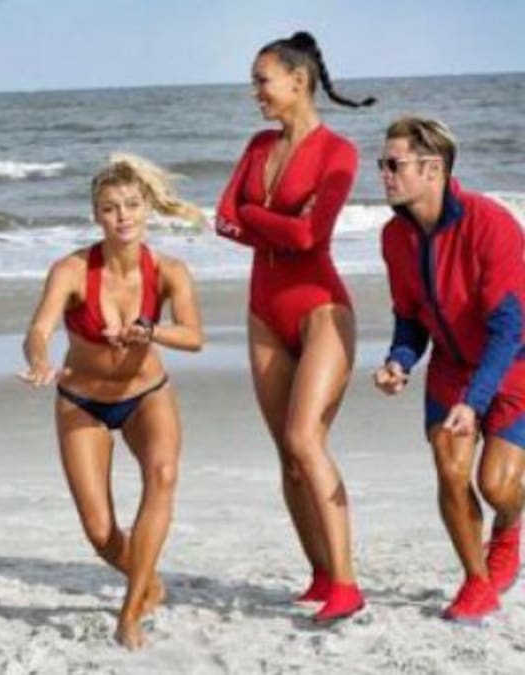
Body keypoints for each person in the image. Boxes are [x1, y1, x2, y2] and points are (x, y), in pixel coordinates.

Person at [214, 31, 375, 623]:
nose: (254, 92)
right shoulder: (258, 145)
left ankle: (348, 585)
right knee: (287, 454)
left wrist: (254, 216)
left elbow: (311, 236)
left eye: (262, 80)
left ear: (298, 81)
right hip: (263, 309)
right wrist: (268, 221)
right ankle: (321, 574)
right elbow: (222, 220)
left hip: (321, 309)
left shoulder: (339, 152)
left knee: (307, 440)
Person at [20, 155, 203, 649]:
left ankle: (130, 613)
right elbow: (39, 329)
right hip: (83, 401)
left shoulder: (169, 271)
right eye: (110, 208)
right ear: (96, 215)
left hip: (147, 395)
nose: (122, 216)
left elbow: (194, 336)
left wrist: (150, 331)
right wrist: (39, 360)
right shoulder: (71, 270)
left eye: (131, 205)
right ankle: (149, 581)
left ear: (147, 209)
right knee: (101, 532)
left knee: (163, 477)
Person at [373, 116, 524, 623]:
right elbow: (410, 318)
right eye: (382, 164)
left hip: (513, 361)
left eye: (394, 165)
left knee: (498, 486)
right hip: (450, 367)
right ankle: (477, 582)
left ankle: (509, 528)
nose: (384, 174)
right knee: (450, 467)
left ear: (433, 170)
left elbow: (508, 328)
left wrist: (474, 401)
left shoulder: (491, 223)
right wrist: (399, 360)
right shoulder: (394, 237)